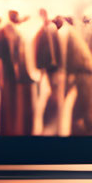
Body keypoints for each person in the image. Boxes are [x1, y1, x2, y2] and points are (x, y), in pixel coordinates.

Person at [32, 7, 65, 136]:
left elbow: (59, 48)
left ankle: (55, 122)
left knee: (56, 93)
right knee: (46, 94)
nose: (43, 17)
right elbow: (37, 49)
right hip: (45, 68)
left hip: (54, 68)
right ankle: (48, 122)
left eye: (44, 14)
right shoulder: (40, 33)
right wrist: (39, 67)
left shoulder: (53, 30)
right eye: (41, 15)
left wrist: (61, 66)